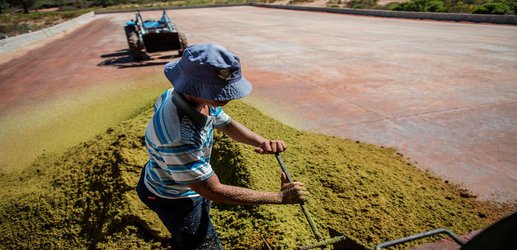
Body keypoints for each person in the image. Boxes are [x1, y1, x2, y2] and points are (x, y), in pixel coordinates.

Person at [136, 43, 307, 249]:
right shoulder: (178, 138)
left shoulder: (187, 96)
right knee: (203, 244)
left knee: (195, 223)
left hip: (186, 181)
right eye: (220, 92)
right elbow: (213, 190)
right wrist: (279, 198)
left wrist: (262, 141)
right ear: (195, 88)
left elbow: (226, 124)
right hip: (173, 197)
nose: (229, 96)